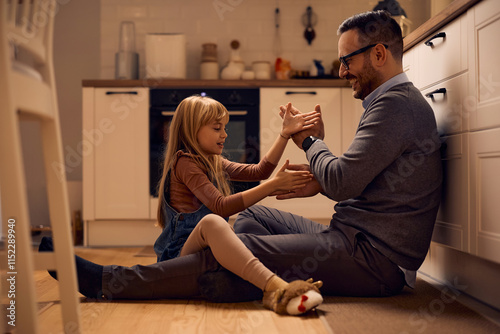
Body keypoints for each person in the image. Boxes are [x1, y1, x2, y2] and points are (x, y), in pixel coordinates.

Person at [40, 9, 442, 309]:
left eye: (347, 60)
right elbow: (356, 181)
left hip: (373, 259)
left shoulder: (394, 106)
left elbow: (341, 182)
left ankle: (110, 281)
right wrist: (315, 176)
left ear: (378, 55)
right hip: (351, 235)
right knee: (249, 222)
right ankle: (244, 279)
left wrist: (309, 141)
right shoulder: (388, 102)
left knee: (229, 245)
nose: (341, 71)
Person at [40, 94, 325, 315]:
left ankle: (245, 285)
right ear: (192, 129)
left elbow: (259, 172)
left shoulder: (214, 160)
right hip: (178, 257)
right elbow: (221, 206)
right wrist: (272, 187)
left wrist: (284, 135)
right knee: (213, 222)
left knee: (246, 229)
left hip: (203, 253)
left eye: (225, 127)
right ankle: (276, 287)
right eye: (217, 128)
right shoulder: (186, 162)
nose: (225, 134)